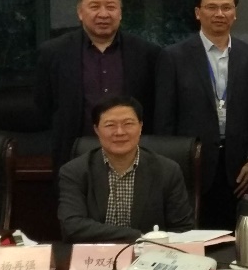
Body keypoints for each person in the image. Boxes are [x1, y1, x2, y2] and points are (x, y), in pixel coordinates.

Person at [153, 0, 248, 230]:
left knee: (237, 235)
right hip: (192, 163)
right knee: (195, 234)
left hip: (238, 166)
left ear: (235, 13)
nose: (219, 14)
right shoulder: (173, 56)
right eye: (212, 7)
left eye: (226, 8)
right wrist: (174, 164)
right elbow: (164, 119)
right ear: (198, 12)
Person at [34, 0, 160, 173]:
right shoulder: (53, 53)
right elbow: (44, 106)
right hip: (74, 153)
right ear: (80, 12)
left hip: (132, 155)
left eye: (111, 7)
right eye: (94, 7)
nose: (103, 14)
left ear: (120, 12)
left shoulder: (146, 53)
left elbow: (153, 108)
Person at [57, 95, 194, 242]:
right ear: (96, 129)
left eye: (128, 124)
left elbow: (183, 230)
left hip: (151, 253)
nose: (120, 132)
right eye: (110, 125)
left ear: (140, 126)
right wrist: (137, 236)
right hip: (95, 253)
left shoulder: (167, 170)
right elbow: (72, 226)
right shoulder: (75, 172)